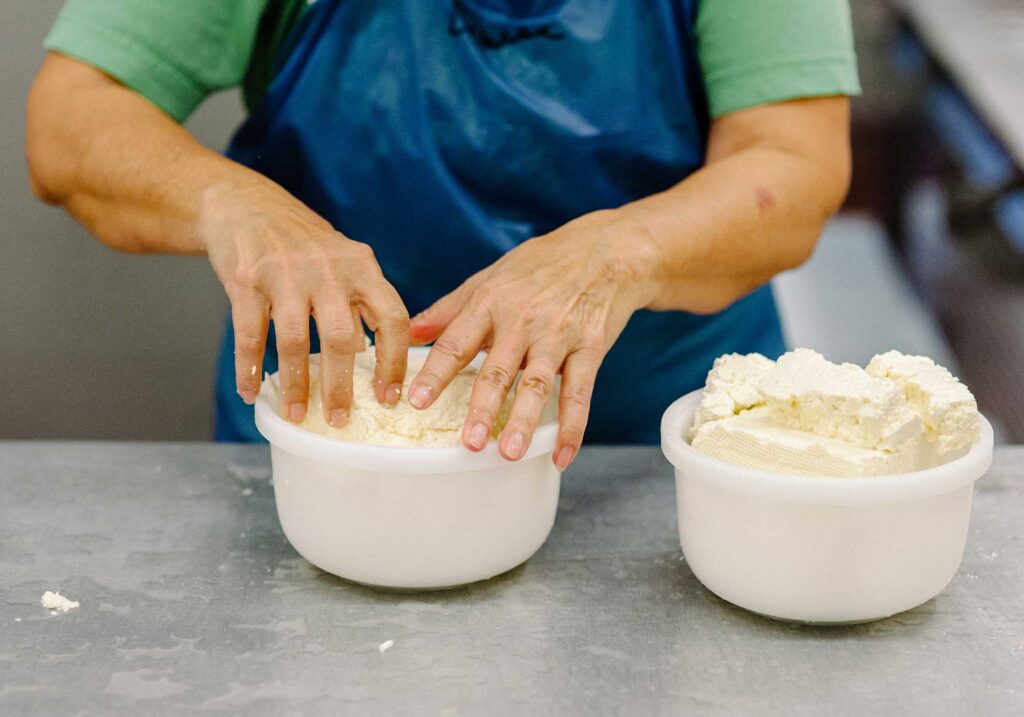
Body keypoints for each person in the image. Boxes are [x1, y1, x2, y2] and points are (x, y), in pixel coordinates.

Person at [27, 0, 858, 470]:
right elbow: (72, 119)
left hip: (647, 460)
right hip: (330, 454)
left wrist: (622, 251)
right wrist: (229, 201)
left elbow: (793, 163)